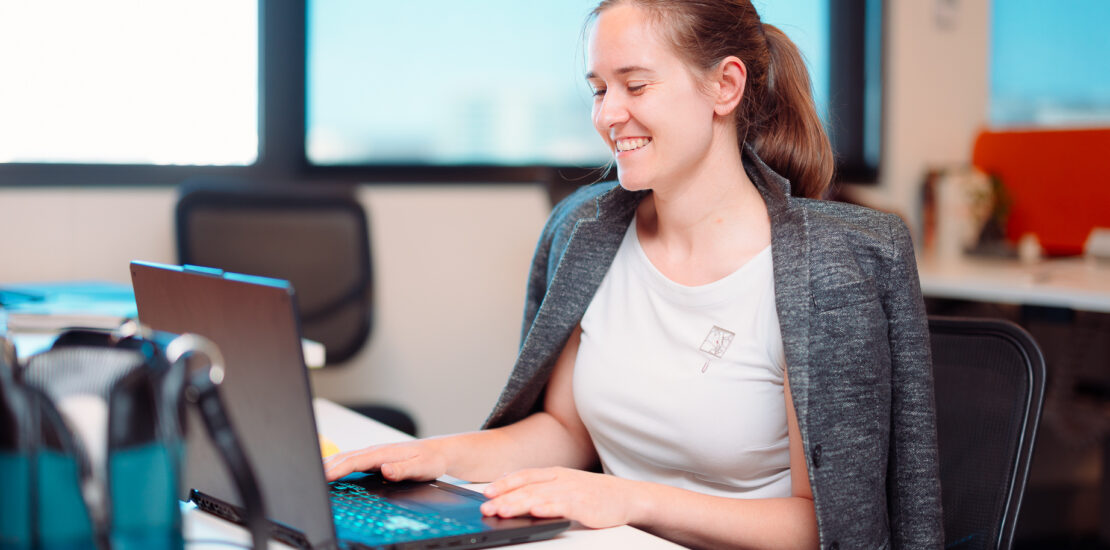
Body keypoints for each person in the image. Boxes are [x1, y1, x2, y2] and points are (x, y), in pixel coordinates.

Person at [325, 0, 943, 548]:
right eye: (599, 89)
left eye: (636, 85)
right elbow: (567, 430)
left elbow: (824, 527)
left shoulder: (824, 272)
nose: (608, 114)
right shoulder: (585, 232)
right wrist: (432, 455)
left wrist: (633, 500)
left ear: (725, 86)